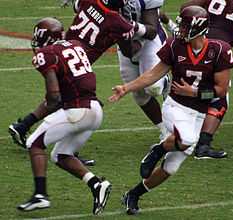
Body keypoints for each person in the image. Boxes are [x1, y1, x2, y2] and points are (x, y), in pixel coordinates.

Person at [109, 5, 233, 215]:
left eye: (186, 26)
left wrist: (194, 93)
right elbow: (153, 74)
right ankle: (158, 149)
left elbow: (220, 91)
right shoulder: (175, 46)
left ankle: (133, 194)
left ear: (199, 28)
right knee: (185, 139)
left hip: (198, 113)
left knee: (171, 168)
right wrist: (126, 88)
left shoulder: (219, 50)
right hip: (175, 106)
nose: (182, 30)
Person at [9, 0, 141, 164]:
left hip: (65, 49)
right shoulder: (117, 20)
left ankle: (23, 127)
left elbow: (76, 6)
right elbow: (130, 52)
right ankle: (65, 151)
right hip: (77, 58)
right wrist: (137, 32)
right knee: (79, 102)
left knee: (66, 98)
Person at [17, 17, 112, 214]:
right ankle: (97, 185)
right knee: (61, 155)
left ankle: (40, 195)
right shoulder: (76, 44)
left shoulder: (47, 53)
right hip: (95, 109)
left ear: (44, 37)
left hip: (77, 111)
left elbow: (54, 96)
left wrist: (41, 113)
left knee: (34, 143)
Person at [180, 0, 233, 159]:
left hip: (190, 45)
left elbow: (186, 8)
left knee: (181, 87)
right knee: (219, 95)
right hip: (216, 51)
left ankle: (176, 133)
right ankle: (203, 145)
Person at [117, 0, 171, 137]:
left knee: (153, 88)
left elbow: (151, 30)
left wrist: (128, 25)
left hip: (150, 40)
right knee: (139, 94)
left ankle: (165, 81)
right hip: (125, 40)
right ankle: (164, 129)